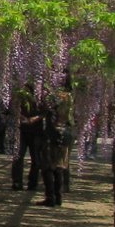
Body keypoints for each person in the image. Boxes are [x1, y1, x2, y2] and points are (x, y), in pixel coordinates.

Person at [39, 77, 74, 207]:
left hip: (53, 134)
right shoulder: (70, 97)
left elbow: (46, 111)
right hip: (66, 134)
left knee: (48, 167)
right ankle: (58, 197)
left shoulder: (55, 97)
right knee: (59, 167)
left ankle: (51, 197)